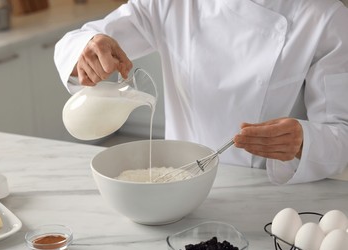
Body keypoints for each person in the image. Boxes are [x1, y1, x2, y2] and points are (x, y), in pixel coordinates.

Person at [54, 0, 348, 185]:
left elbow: (341, 133)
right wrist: (90, 47)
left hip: (263, 188)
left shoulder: (325, 17)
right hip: (175, 180)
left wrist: (302, 141)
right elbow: (82, 38)